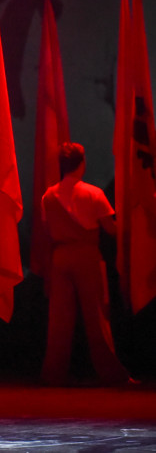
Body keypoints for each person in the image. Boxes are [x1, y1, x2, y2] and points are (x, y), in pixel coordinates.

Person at [40, 142, 130, 385]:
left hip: (60, 257)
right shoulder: (94, 193)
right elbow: (111, 230)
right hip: (87, 256)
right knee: (97, 316)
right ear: (82, 164)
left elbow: (48, 233)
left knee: (59, 320)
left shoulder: (48, 196)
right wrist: (131, 220)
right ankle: (112, 374)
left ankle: (53, 374)